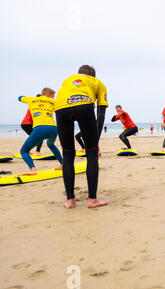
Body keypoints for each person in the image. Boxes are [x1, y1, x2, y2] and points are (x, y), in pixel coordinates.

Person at [55, 65, 108, 209]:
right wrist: (95, 142)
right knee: (91, 153)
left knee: (67, 154)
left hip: (60, 107)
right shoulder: (98, 83)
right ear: (93, 76)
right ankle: (92, 200)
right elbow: (100, 114)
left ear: (79, 73)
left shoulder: (67, 80)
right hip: (84, 104)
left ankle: (70, 200)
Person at [18, 88, 63, 175]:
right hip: (53, 129)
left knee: (24, 151)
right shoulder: (53, 101)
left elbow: (20, 97)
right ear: (47, 94)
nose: (53, 98)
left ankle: (33, 169)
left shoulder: (31, 99)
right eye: (53, 96)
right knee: (51, 144)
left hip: (40, 129)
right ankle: (62, 164)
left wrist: (23, 98)